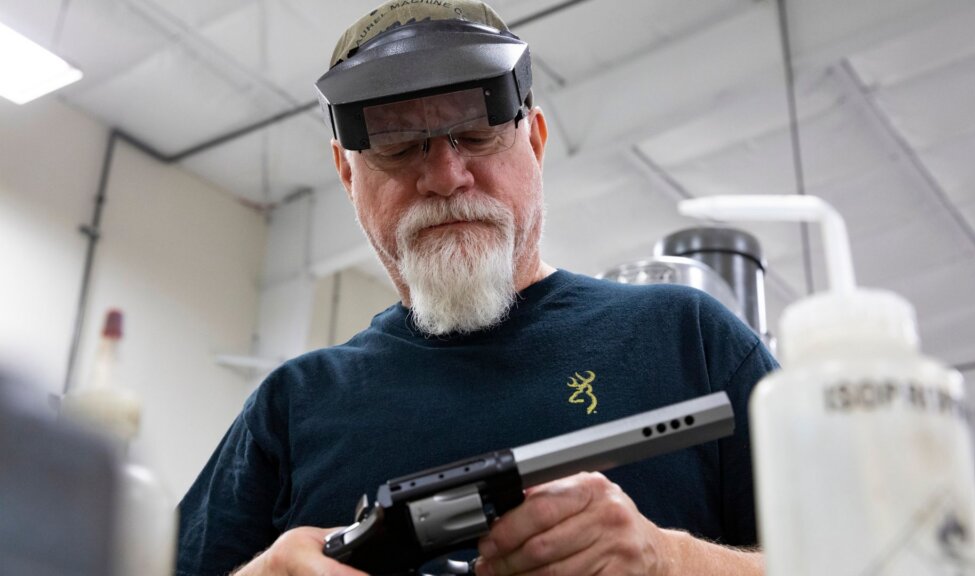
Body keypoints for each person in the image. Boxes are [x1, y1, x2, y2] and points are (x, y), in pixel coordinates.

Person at [176, 1, 777, 575]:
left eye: (479, 131)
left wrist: (671, 562)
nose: (443, 175)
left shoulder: (689, 341)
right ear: (345, 174)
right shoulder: (290, 407)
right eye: (396, 144)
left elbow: (864, 551)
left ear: (536, 142)